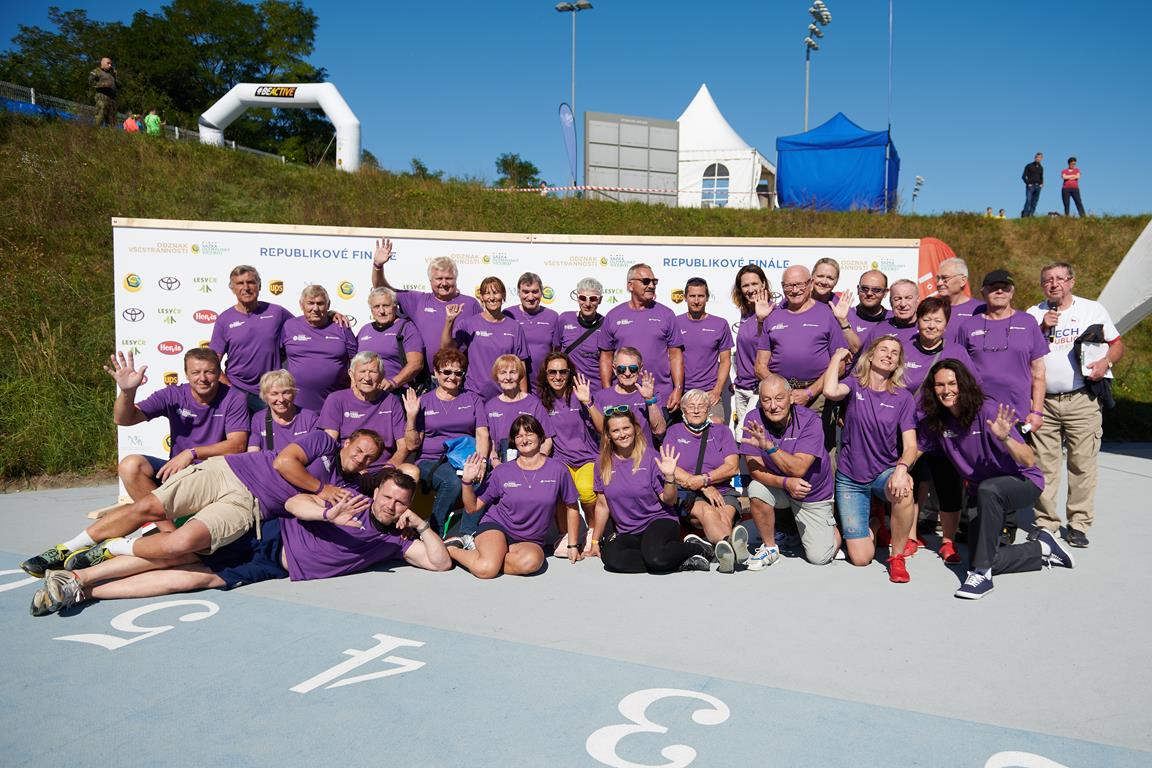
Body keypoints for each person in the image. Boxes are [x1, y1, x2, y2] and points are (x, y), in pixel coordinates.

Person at [30, 469, 451, 616]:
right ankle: (79, 576)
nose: (392, 505)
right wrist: (326, 514)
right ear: (377, 492)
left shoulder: (393, 541)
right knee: (178, 554)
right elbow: (294, 502)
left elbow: (440, 563)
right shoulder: (349, 499)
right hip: (268, 534)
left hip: (276, 567)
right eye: (388, 497)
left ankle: (86, 591)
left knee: (195, 579)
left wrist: (421, 525)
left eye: (401, 502)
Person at [21, 429, 383, 578]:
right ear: (348, 442)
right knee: (148, 508)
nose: (362, 459)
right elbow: (283, 463)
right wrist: (321, 487)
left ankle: (113, 548)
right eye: (359, 450)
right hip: (229, 471)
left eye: (369, 458)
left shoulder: (347, 488)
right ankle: (64, 549)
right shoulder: (322, 442)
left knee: (182, 542)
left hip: (250, 508)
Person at [917, 360, 1076, 599]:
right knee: (981, 555)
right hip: (982, 492)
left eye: (952, 383)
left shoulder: (988, 412)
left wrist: (1006, 438)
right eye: (940, 385)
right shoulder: (938, 420)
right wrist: (900, 470)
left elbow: (1029, 460)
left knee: (989, 492)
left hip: (1022, 482)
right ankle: (1041, 547)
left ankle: (983, 576)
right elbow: (917, 449)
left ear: (964, 385)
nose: (946, 390)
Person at [1026, 262, 1125, 548]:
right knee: (1044, 465)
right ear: (1042, 286)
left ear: (1071, 281)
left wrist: (1106, 362)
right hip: (1043, 401)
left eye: (1060, 278)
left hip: (1082, 399)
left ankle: (1079, 524)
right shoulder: (1033, 314)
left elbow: (1117, 344)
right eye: (1048, 280)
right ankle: (1046, 523)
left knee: (1082, 464)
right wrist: (1042, 327)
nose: (1054, 284)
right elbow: (1021, 352)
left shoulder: (1092, 310)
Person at [822, 338, 918, 582]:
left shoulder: (903, 398)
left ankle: (897, 558)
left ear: (898, 363)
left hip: (884, 473)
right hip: (851, 477)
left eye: (894, 353)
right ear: (871, 355)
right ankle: (875, 523)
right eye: (883, 350)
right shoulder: (854, 384)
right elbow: (830, 391)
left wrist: (901, 469)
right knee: (861, 558)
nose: (888, 355)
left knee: (905, 490)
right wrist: (837, 357)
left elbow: (910, 446)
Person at [106, 348, 248, 501]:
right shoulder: (172, 395)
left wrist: (191, 453)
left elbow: (237, 445)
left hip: (216, 473)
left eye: (209, 372)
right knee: (130, 466)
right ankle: (163, 517)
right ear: (186, 374)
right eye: (195, 373)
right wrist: (127, 392)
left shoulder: (234, 397)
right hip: (179, 472)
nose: (202, 378)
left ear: (219, 373)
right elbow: (123, 419)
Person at [450, 416, 580, 578]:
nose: (524, 440)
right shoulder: (502, 472)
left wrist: (572, 545)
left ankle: (492, 556)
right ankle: (452, 549)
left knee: (532, 563)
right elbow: (472, 508)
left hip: (530, 541)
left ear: (540, 437)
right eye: (519, 436)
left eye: (529, 434)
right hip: (497, 528)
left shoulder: (558, 470)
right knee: (486, 570)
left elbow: (572, 507)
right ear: (514, 441)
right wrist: (467, 482)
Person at [590, 408, 713, 573]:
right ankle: (673, 560)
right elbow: (602, 505)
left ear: (635, 429)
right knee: (610, 557)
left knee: (655, 557)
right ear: (608, 435)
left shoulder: (651, 457)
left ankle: (697, 549)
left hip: (658, 521)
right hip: (629, 532)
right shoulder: (602, 463)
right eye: (616, 430)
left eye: (626, 428)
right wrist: (595, 542)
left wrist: (670, 477)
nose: (622, 434)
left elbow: (669, 500)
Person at [900, 297, 974, 564]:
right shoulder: (903, 349)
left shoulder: (957, 352)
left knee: (948, 485)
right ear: (918, 321)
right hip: (911, 432)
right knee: (911, 484)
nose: (931, 325)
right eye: (926, 319)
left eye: (937, 320)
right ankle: (910, 536)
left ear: (947, 323)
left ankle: (948, 542)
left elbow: (970, 387)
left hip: (945, 431)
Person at [740, 375, 837, 567]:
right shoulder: (753, 418)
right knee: (756, 488)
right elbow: (754, 469)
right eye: (766, 400)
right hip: (782, 487)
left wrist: (769, 447)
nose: (773, 406)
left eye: (779, 398)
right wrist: (785, 483)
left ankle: (832, 531)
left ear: (791, 397)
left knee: (820, 558)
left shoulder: (810, 420)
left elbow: (798, 468)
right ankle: (770, 548)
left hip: (811, 492)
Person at [754, 265, 847, 446]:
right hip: (778, 398)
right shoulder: (772, 316)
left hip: (817, 396)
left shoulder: (827, 315)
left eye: (799, 285)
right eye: (789, 286)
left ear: (810, 284)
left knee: (818, 448)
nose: (794, 290)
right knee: (779, 447)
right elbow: (760, 366)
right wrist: (783, 393)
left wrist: (809, 393)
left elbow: (840, 365)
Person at [954, 270, 1047, 436]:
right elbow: (957, 371)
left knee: (1018, 453)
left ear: (1012, 292)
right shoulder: (967, 326)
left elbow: (1038, 372)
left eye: (1005, 288)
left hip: (1019, 415)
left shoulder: (1028, 322)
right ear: (983, 292)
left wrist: (1037, 412)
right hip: (977, 413)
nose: (999, 291)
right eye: (993, 287)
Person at [665, 390, 747, 573]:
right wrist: (703, 486)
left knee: (724, 515)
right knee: (709, 512)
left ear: (708, 409)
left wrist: (705, 478)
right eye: (691, 407)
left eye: (701, 406)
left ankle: (722, 552)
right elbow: (670, 467)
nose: (696, 410)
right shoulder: (674, 432)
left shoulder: (722, 432)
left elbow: (732, 467)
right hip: (690, 493)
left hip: (723, 491)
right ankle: (732, 545)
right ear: (683, 410)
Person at [412, 348, 490, 537]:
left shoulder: (472, 398)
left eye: (458, 373)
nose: (452, 377)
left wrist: (481, 462)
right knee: (452, 483)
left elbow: (482, 434)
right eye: (446, 372)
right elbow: (413, 444)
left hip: (465, 458)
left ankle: (467, 534)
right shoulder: (424, 401)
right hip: (431, 459)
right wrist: (411, 417)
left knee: (480, 480)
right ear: (436, 372)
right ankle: (433, 534)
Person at [371, 238, 480, 359]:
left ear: (456, 279)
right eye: (439, 279)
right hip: (423, 371)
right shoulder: (417, 301)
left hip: (459, 370)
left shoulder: (471, 304)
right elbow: (382, 290)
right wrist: (378, 266)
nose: (444, 283)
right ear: (430, 280)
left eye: (449, 278)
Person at [210, 265, 296, 412]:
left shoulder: (277, 312)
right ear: (233, 289)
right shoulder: (224, 319)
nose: (246, 287)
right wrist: (229, 387)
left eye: (250, 282)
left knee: (271, 429)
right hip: (238, 390)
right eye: (240, 283)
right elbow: (212, 361)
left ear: (259, 286)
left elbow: (305, 326)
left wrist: (330, 315)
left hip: (272, 391)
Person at [600, 263, 684, 413]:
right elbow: (606, 358)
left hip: (661, 396)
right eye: (646, 281)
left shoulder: (667, 314)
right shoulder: (613, 316)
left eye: (654, 281)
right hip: (623, 398)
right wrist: (608, 391)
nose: (651, 285)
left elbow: (675, 356)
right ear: (630, 285)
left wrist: (678, 388)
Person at [539, 352, 600, 554]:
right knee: (557, 490)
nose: (557, 377)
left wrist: (588, 402)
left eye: (562, 372)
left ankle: (592, 530)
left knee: (585, 489)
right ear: (546, 374)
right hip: (560, 459)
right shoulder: (541, 402)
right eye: (552, 372)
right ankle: (564, 534)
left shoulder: (580, 395)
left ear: (569, 373)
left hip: (587, 457)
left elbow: (602, 428)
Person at [319, 351, 418, 472]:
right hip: (350, 467)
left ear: (382, 375)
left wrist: (390, 466)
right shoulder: (336, 399)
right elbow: (330, 443)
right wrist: (356, 468)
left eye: (373, 372)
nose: (367, 378)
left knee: (412, 471)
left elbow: (403, 446)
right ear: (351, 374)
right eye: (362, 371)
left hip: (384, 469)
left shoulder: (391, 401)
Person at [442, 276, 528, 401]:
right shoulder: (469, 324)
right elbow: (446, 349)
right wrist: (449, 321)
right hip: (474, 395)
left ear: (503, 295)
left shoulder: (514, 327)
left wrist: (524, 399)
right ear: (481, 297)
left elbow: (521, 364)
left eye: (496, 293)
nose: (492, 298)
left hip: (506, 395)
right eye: (487, 293)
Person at [281, 285, 358, 411]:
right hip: (297, 407)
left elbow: (357, 361)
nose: (315, 308)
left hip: (335, 405)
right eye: (310, 303)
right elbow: (276, 355)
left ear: (328, 305)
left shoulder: (341, 326)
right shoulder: (289, 326)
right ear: (301, 305)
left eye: (320, 303)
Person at [674, 277, 734, 425]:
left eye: (700, 296)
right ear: (685, 297)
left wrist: (717, 390)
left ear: (707, 297)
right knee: (679, 435)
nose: (696, 301)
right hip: (681, 393)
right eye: (692, 296)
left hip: (709, 393)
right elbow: (670, 358)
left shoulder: (720, 324)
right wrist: (676, 390)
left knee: (717, 426)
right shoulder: (675, 323)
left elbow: (725, 361)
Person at [730, 265, 775, 437]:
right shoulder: (746, 313)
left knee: (743, 436)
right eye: (745, 285)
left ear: (763, 284)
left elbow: (767, 345)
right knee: (749, 443)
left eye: (754, 284)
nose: (750, 289)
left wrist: (762, 320)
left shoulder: (773, 311)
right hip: (742, 388)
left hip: (759, 388)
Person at [484, 355, 554, 464]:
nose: (508, 377)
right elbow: (489, 443)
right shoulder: (490, 407)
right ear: (497, 377)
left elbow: (547, 440)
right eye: (503, 373)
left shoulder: (534, 403)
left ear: (520, 375)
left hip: (531, 462)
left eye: (513, 372)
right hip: (501, 464)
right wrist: (495, 462)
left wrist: (536, 461)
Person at [590, 347, 667, 445]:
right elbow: (601, 432)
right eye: (621, 369)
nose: (627, 373)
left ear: (640, 369)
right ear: (614, 369)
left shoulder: (651, 394)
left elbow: (659, 430)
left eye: (633, 369)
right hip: (613, 454)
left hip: (644, 453)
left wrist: (649, 399)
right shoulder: (601, 397)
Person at [355, 286, 425, 393]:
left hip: (396, 392)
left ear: (395, 307)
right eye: (376, 307)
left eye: (386, 306)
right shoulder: (364, 330)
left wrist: (393, 383)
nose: (381, 311)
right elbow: (353, 363)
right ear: (371, 310)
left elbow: (416, 363)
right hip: (366, 393)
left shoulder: (406, 328)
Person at [504, 272, 561, 393]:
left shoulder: (552, 316)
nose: (530, 297)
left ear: (541, 292)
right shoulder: (508, 315)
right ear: (518, 292)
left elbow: (556, 351)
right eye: (526, 292)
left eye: (535, 292)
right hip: (513, 382)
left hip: (544, 384)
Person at [246, 369, 320, 453]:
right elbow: (253, 454)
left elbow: (317, 452)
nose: (281, 399)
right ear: (265, 396)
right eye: (274, 394)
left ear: (294, 393)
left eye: (286, 393)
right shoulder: (259, 419)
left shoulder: (310, 418)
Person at [840, 278, 919, 353]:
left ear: (918, 300)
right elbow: (864, 359)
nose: (903, 304)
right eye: (897, 299)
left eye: (908, 298)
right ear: (890, 302)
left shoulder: (925, 328)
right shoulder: (879, 329)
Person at [557, 278, 607, 394]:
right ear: (577, 298)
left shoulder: (606, 324)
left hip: (595, 391)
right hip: (568, 391)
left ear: (600, 300)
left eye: (593, 299)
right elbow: (556, 352)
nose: (587, 304)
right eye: (583, 298)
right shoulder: (564, 319)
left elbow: (609, 361)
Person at [934, 257, 983, 327]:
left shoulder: (980, 309)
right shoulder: (929, 308)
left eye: (945, 278)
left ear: (963, 281)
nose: (939, 283)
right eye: (938, 278)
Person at [88, 57, 119, 127]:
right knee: (99, 118)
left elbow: (119, 85)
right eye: (108, 63)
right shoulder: (97, 71)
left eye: (111, 64)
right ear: (102, 63)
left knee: (112, 122)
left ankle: (109, 133)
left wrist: (115, 76)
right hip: (102, 97)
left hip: (112, 99)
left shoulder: (111, 75)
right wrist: (103, 85)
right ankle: (95, 131)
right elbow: (90, 82)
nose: (110, 65)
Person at [1021, 152, 1044, 218]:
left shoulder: (1041, 167)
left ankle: (1031, 215)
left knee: (1034, 202)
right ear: (1035, 158)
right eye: (1037, 157)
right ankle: (1025, 215)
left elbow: (1041, 177)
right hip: (1031, 186)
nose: (1038, 158)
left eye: (1039, 157)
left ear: (1041, 159)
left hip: (1038, 186)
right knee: (1028, 200)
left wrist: (1041, 184)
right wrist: (1028, 183)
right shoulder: (1029, 165)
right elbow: (1023, 176)